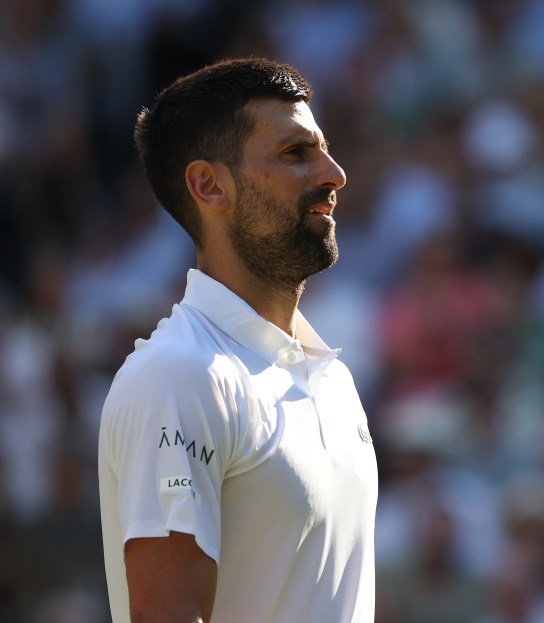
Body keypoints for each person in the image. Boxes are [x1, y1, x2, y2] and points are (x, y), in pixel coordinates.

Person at [97, 58, 378, 623]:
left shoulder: (335, 380)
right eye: (295, 153)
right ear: (209, 185)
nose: (334, 173)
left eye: (322, 148)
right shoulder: (178, 377)